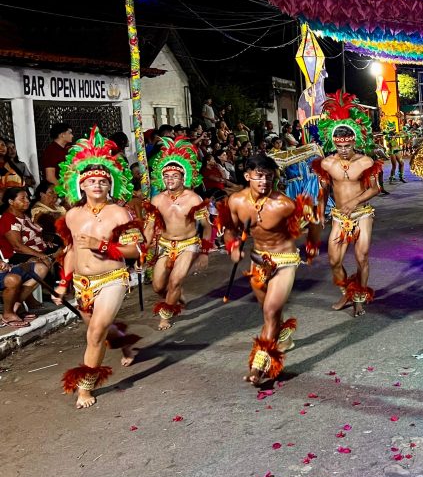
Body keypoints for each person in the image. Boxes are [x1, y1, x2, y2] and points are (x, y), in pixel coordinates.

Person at [53, 128, 145, 408]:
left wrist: (101, 245)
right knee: (99, 330)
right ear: (81, 185)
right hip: (82, 284)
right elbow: (72, 250)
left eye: (103, 181)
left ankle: (85, 387)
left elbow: (136, 250)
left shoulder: (119, 213)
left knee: (95, 333)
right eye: (91, 181)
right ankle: (124, 343)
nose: (97, 185)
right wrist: (63, 283)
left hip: (112, 278)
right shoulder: (72, 215)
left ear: (110, 185)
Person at [220, 155, 317, 386]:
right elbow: (230, 230)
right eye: (259, 176)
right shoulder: (236, 201)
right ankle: (283, 335)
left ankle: (258, 366)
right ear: (247, 176)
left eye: (269, 177)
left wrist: (311, 247)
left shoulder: (283, 204)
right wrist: (233, 247)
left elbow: (313, 221)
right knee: (268, 311)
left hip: (284, 260)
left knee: (271, 311)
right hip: (258, 262)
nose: (264, 181)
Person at [314, 93, 382, 316]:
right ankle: (348, 292)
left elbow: (375, 188)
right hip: (339, 216)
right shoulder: (327, 163)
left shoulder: (365, 162)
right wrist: (320, 210)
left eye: (347, 145)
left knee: (362, 256)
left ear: (355, 141)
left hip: (362, 213)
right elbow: (324, 189)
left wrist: (354, 201)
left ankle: (359, 299)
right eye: (339, 145)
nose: (343, 149)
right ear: (333, 142)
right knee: (334, 261)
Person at [143, 137, 213, 330]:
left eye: (174, 176)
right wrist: (142, 250)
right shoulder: (157, 200)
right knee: (158, 286)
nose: (170, 179)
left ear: (183, 178)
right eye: (166, 176)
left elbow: (207, 227)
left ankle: (166, 315)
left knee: (174, 280)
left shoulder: (194, 199)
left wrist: (204, 252)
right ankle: (176, 294)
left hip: (188, 245)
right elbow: (149, 228)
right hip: (165, 245)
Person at [0, 187, 52, 326]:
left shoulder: (23, 215)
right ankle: (16, 305)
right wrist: (40, 255)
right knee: (42, 267)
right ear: (11, 201)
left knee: (60, 253)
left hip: (30, 251)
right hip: (17, 255)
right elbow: (17, 246)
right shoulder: (8, 219)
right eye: (22, 198)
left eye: (27, 198)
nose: (27, 201)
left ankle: (22, 303)